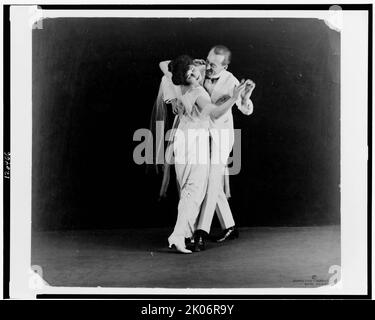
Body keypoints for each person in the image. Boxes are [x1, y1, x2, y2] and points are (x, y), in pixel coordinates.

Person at [160, 46, 256, 252]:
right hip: (198, 137)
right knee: (204, 182)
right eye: (207, 61)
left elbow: (246, 109)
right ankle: (229, 226)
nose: (207, 67)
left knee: (210, 181)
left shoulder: (231, 81)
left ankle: (200, 232)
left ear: (225, 66)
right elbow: (166, 68)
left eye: (213, 64)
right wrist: (173, 99)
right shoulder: (198, 69)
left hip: (220, 136)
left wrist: (245, 97)